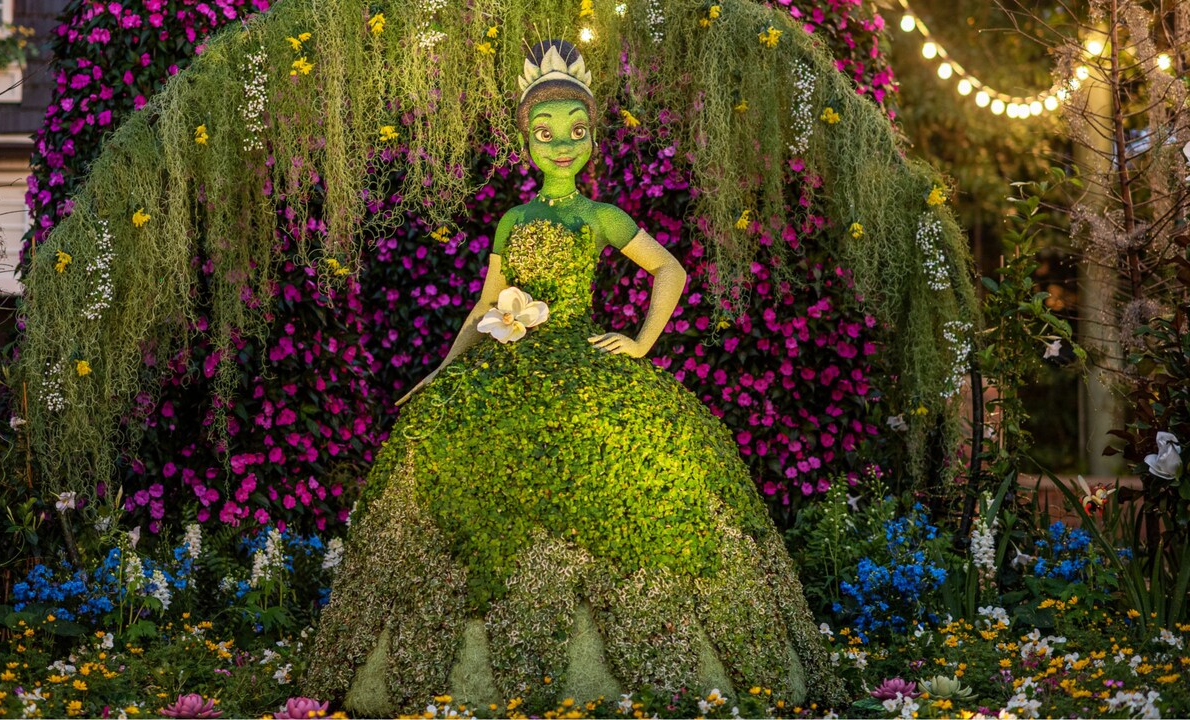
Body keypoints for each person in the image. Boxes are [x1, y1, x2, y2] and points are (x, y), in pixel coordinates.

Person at [304, 39, 844, 715]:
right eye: (546, 134)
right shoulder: (515, 219)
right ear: (527, 142)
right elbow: (483, 304)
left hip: (584, 356)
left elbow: (669, 269)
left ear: (591, 137)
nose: (563, 145)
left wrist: (644, 341)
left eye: (577, 132)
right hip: (509, 358)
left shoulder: (601, 216)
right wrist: (443, 371)